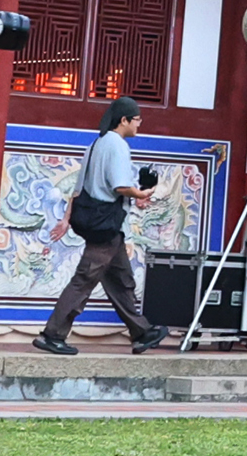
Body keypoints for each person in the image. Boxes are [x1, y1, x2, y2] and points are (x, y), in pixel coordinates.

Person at [38, 94, 161, 356]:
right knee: (83, 280)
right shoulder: (117, 145)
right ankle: (53, 334)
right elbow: (119, 186)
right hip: (106, 227)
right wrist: (140, 194)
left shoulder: (96, 144)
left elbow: (78, 189)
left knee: (121, 281)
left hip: (102, 224)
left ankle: (142, 332)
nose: (139, 124)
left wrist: (66, 219)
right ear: (124, 119)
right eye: (137, 119)